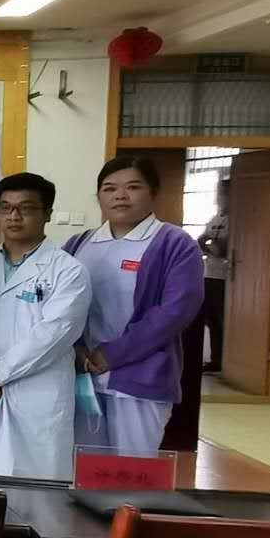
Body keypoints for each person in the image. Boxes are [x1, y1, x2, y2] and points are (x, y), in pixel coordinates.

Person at [65, 158, 204, 455]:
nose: (120, 196)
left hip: (140, 377)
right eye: (109, 188)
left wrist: (112, 354)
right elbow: (60, 304)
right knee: (84, 466)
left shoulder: (174, 243)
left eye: (133, 187)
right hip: (83, 374)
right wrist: (76, 350)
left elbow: (175, 311)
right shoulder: (79, 243)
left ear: (153, 192)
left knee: (132, 468)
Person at [0, 173, 91, 480]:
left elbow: (55, 334)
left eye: (26, 208)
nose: (14, 216)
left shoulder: (68, 270)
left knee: (39, 482)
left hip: (39, 391)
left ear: (47, 214)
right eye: (6, 207)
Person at [197, 178, 229, 373]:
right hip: (209, 274)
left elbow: (222, 249)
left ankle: (227, 362)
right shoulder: (215, 219)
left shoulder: (236, 219)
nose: (219, 197)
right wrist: (210, 246)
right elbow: (201, 241)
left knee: (223, 320)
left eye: (223, 193)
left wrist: (212, 246)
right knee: (210, 319)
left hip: (227, 278)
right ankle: (215, 360)